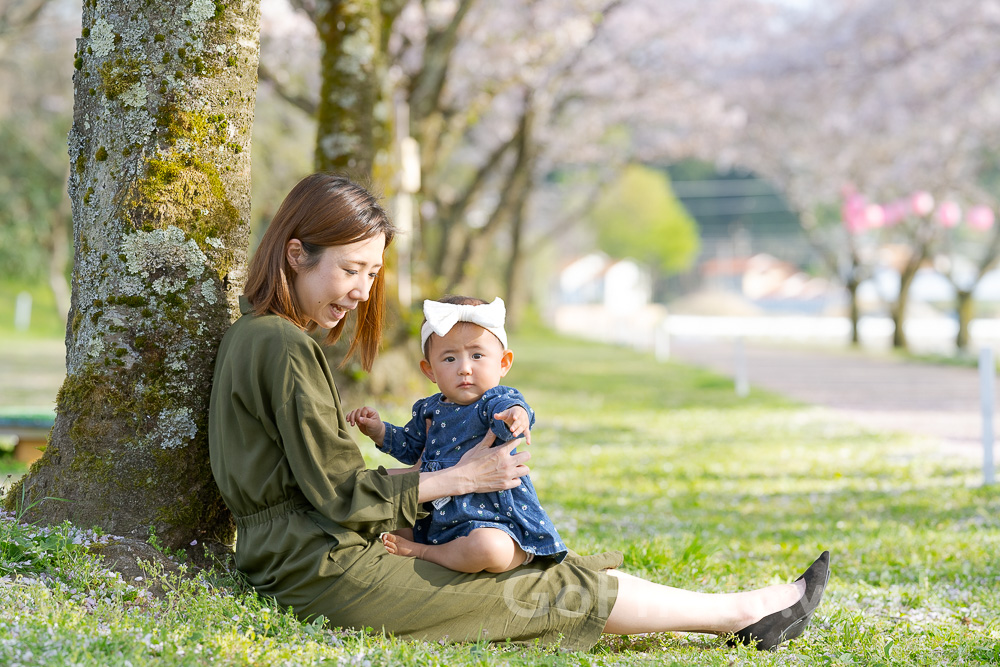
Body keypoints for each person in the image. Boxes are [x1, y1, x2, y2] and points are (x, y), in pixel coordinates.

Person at [208, 171, 830, 653]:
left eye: (371, 273)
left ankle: (744, 612)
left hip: (301, 554)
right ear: (295, 254)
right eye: (351, 269)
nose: (364, 291)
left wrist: (442, 482)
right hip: (322, 568)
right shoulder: (281, 345)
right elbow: (340, 491)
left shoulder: (255, 336)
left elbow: (315, 487)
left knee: (523, 562)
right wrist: (459, 479)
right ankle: (743, 615)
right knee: (540, 586)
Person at [346, 295, 567, 574]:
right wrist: (379, 432)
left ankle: (426, 553)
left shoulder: (493, 401)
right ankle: (424, 550)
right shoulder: (428, 410)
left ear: (503, 363)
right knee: (393, 506)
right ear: (429, 370)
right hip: (435, 516)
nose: (464, 368)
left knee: (489, 549)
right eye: (449, 358)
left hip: (492, 518)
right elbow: (412, 448)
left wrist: (516, 414)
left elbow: (507, 409)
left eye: (477, 355)